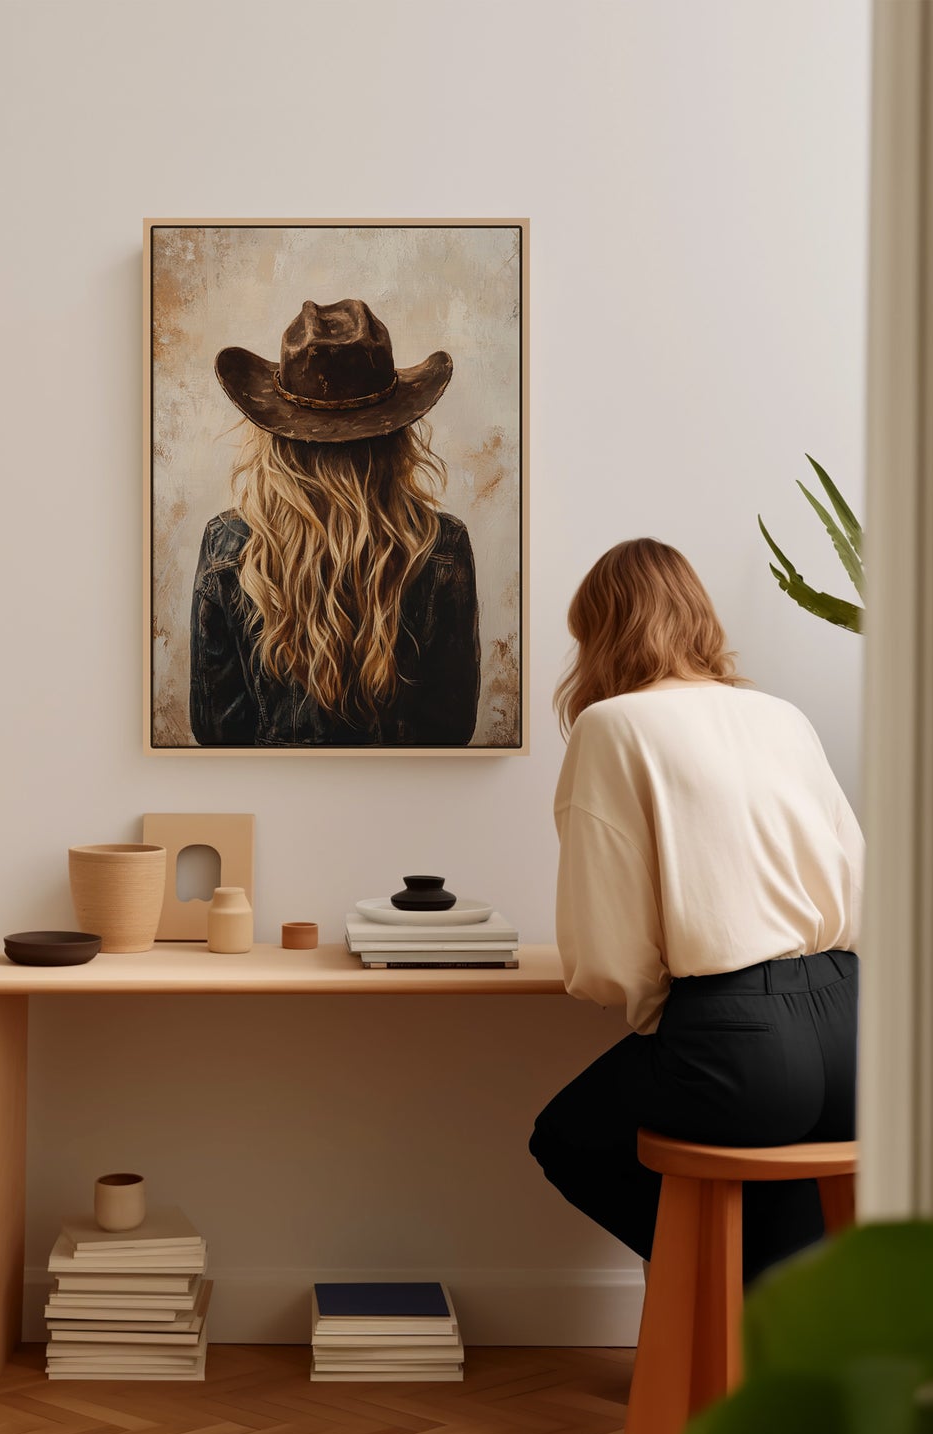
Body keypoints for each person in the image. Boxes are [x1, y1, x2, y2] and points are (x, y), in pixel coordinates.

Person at [528, 538, 864, 1283]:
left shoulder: (613, 725)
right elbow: (855, 875)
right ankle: (763, 1339)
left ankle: (708, 1303)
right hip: (855, 1034)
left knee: (568, 1136)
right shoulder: (782, 716)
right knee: (779, 1169)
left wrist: (662, 1012)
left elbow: (606, 955)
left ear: (601, 633)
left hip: (740, 1041)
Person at [190, 298, 480, 747]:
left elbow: (216, 732)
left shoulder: (228, 546)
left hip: (270, 804)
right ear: (395, 435)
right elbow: (452, 729)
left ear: (276, 436)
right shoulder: (441, 546)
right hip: (409, 809)